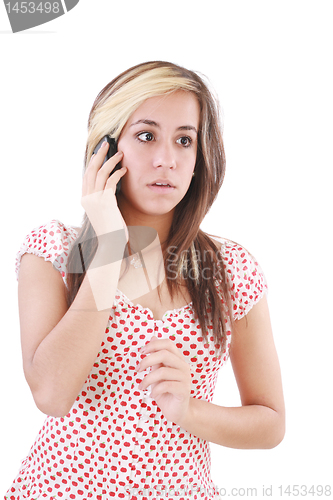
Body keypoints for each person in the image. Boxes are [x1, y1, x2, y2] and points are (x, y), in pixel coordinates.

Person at [5, 61, 285, 500]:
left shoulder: (231, 269)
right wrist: (109, 245)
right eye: (146, 135)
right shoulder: (54, 250)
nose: (166, 160)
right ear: (105, 149)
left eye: (184, 140)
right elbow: (52, 394)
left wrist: (190, 411)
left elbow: (270, 423)